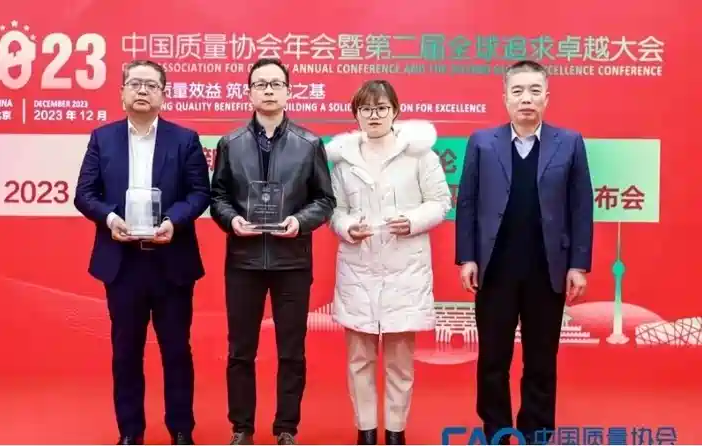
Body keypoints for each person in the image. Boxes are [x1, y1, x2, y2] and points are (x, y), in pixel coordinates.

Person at [454, 60, 593, 445]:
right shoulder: (482, 142)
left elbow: (581, 206)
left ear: (547, 97)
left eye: (534, 91)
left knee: (541, 360)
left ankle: (536, 433)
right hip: (495, 268)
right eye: (517, 91)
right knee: (493, 359)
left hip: (547, 269)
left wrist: (578, 264)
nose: (526, 98)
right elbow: (467, 202)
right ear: (505, 98)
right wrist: (467, 257)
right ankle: (496, 432)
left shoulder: (569, 142)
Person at [74, 60, 211, 445]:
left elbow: (199, 193)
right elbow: (84, 194)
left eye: (151, 85)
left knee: (176, 351)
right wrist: (110, 218)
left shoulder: (184, 139)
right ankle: (130, 432)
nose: (142, 91)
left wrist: (173, 221)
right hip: (123, 263)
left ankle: (181, 430)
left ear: (163, 95)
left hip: (171, 261)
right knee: (125, 352)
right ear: (122, 92)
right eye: (135, 83)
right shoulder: (103, 138)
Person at [209, 58, 335, 445]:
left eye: (275, 84)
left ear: (288, 92)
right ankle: (242, 428)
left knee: (291, 352)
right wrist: (232, 220)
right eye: (260, 84)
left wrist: (300, 220)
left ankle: (286, 428)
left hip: (291, 261)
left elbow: (325, 200)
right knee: (240, 351)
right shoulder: (230, 144)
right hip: (243, 261)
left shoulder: (309, 144)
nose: (268, 90)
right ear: (248, 92)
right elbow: (218, 197)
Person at [325, 80, 452, 446]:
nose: (374, 115)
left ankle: (396, 431)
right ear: (356, 114)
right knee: (359, 360)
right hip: (358, 268)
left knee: (399, 361)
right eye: (366, 109)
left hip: (405, 269)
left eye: (381, 108)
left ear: (395, 110)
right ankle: (365, 431)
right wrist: (347, 227)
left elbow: (440, 201)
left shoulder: (420, 155)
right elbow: (335, 209)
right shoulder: (343, 160)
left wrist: (412, 221)